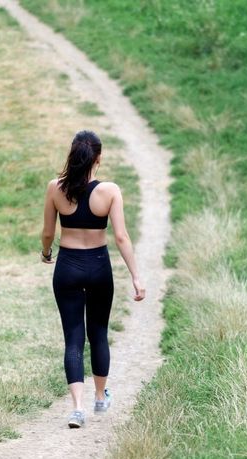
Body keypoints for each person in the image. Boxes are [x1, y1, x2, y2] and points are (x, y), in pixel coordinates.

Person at [40, 130, 146, 429]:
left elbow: (48, 232)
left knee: (73, 338)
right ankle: (100, 397)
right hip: (99, 267)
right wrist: (137, 277)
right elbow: (122, 237)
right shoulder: (110, 191)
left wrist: (47, 252)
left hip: (68, 267)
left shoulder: (55, 188)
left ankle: (76, 408)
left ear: (72, 155)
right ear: (98, 158)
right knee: (98, 333)